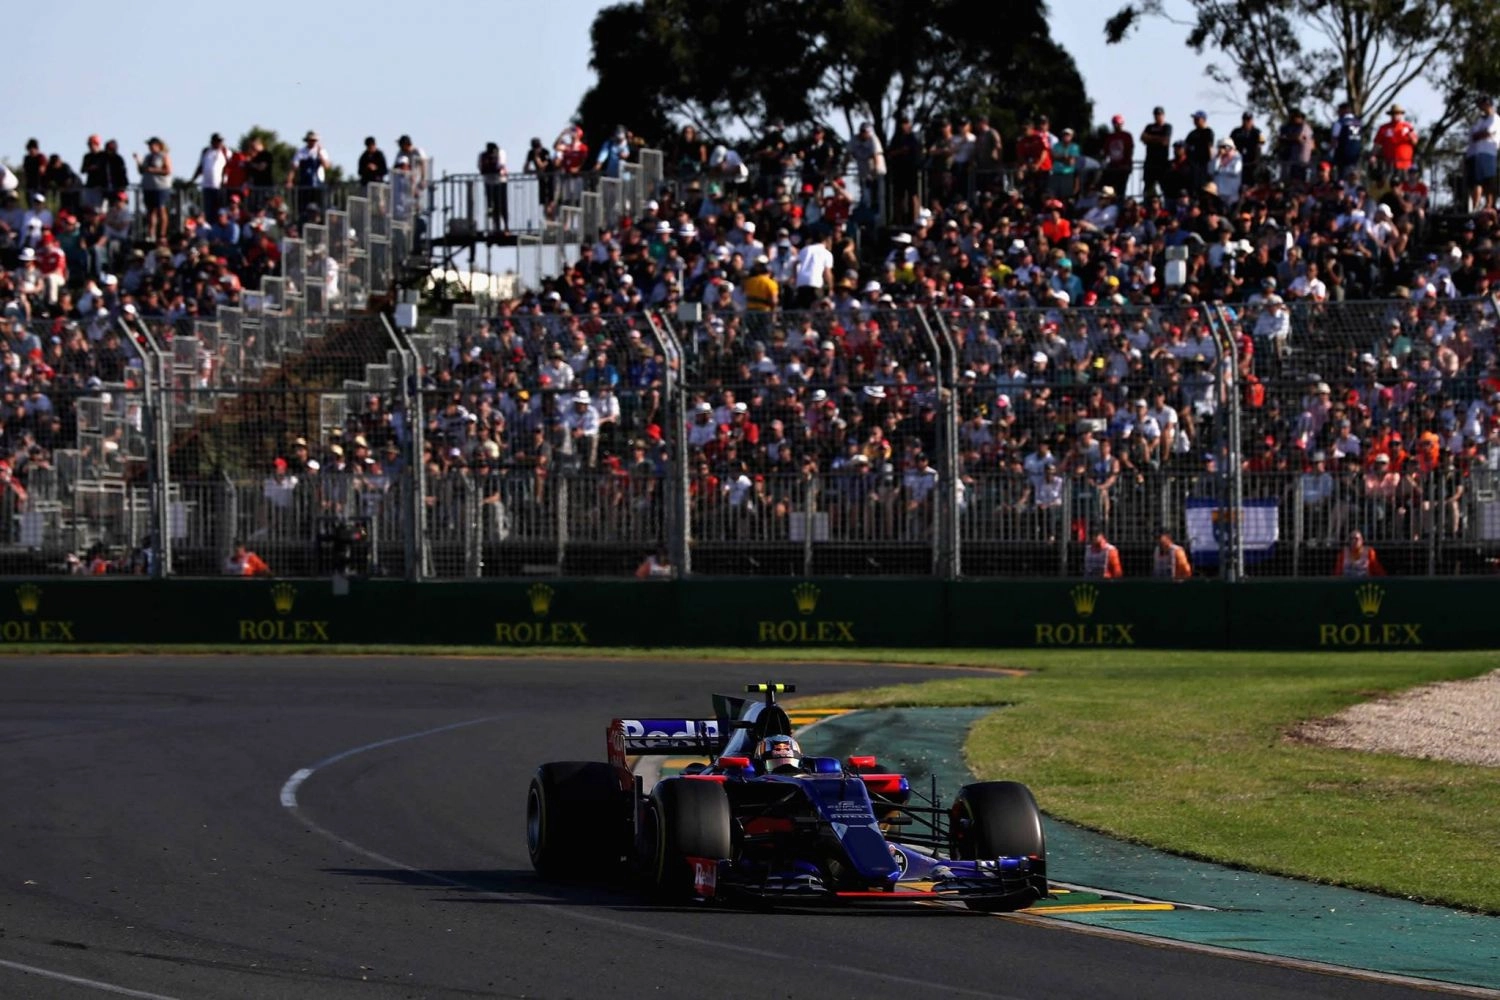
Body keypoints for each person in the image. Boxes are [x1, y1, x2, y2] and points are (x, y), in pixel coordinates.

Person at [134, 137, 172, 243]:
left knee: (161, 210)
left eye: (152, 145)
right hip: (148, 187)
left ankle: (162, 234)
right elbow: (142, 171)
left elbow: (168, 170)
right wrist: (138, 161)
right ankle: (151, 234)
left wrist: (153, 170)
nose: (150, 147)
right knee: (150, 212)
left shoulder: (163, 156)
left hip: (160, 187)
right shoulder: (148, 157)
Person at [1465, 95, 1497, 214]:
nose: (1481, 108)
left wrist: (1479, 135)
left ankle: (1489, 206)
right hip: (1474, 153)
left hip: (1488, 152)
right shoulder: (1479, 120)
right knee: (1476, 182)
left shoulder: (1495, 119)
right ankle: (1475, 207)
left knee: (1488, 180)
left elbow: (1488, 133)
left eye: (1482, 105)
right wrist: (1479, 135)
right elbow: (1473, 135)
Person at [479, 141, 509, 234]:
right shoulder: (483, 155)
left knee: (502, 205)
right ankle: (496, 227)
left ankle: (506, 227)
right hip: (489, 182)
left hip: (500, 182)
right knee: (492, 206)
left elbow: (500, 167)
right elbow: (482, 169)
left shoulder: (501, 153)